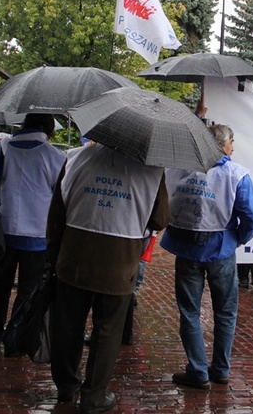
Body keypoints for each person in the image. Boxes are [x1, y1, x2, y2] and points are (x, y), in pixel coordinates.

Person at [47, 141, 169, 412]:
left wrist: (54, 254)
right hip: (120, 260)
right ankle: (94, 396)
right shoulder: (151, 169)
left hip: (74, 254)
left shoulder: (75, 157)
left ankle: (66, 386)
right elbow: (160, 220)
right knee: (108, 331)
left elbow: (57, 212)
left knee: (68, 324)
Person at [161, 124, 253, 389]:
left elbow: (165, 201)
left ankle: (197, 370)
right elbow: (252, 217)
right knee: (225, 311)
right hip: (221, 249)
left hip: (186, 249)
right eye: (232, 143)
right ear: (222, 145)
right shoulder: (237, 175)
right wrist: (239, 238)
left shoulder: (178, 169)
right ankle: (221, 369)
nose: (233, 148)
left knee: (190, 311)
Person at [0, 114, 66, 353]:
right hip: (37, 236)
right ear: (48, 131)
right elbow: (62, 198)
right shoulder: (54, 157)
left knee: (0, 286)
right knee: (28, 291)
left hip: (2, 232)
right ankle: (15, 339)